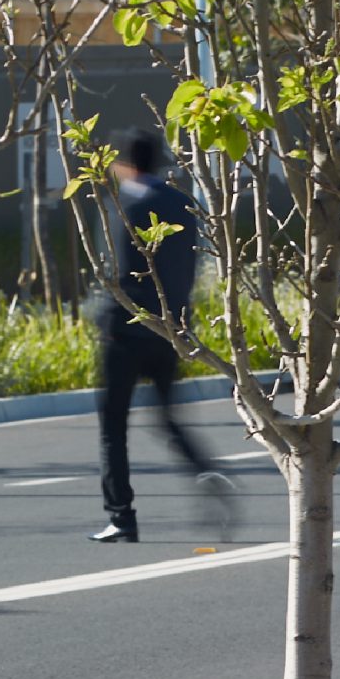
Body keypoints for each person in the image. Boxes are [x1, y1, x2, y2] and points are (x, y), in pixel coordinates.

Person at [91, 130, 234, 543]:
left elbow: (116, 273)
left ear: (124, 165)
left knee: (113, 428)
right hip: (172, 325)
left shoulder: (123, 204)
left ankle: (121, 517)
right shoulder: (182, 202)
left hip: (126, 328)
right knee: (168, 418)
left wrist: (110, 317)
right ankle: (205, 470)